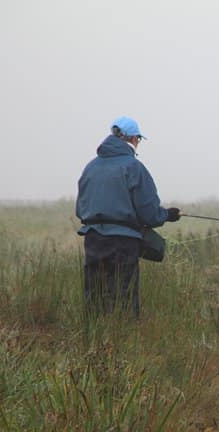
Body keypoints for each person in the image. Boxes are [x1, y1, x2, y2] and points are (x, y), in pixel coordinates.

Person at [75, 115, 181, 317]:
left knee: (95, 301)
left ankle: (94, 341)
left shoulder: (90, 168)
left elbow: (80, 210)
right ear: (134, 139)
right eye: (139, 140)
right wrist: (167, 215)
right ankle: (124, 342)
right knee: (123, 300)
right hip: (123, 244)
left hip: (93, 241)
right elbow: (150, 214)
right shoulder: (134, 167)